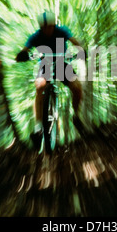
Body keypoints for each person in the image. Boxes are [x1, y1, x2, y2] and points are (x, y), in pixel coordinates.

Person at [15, 11, 85, 148]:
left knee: (76, 87)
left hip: (62, 64)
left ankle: (76, 116)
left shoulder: (61, 31)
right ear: (41, 27)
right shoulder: (36, 36)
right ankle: (38, 128)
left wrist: (81, 50)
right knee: (40, 86)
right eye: (44, 27)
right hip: (45, 64)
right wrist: (22, 54)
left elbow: (74, 41)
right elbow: (26, 48)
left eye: (50, 26)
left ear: (54, 25)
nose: (47, 30)